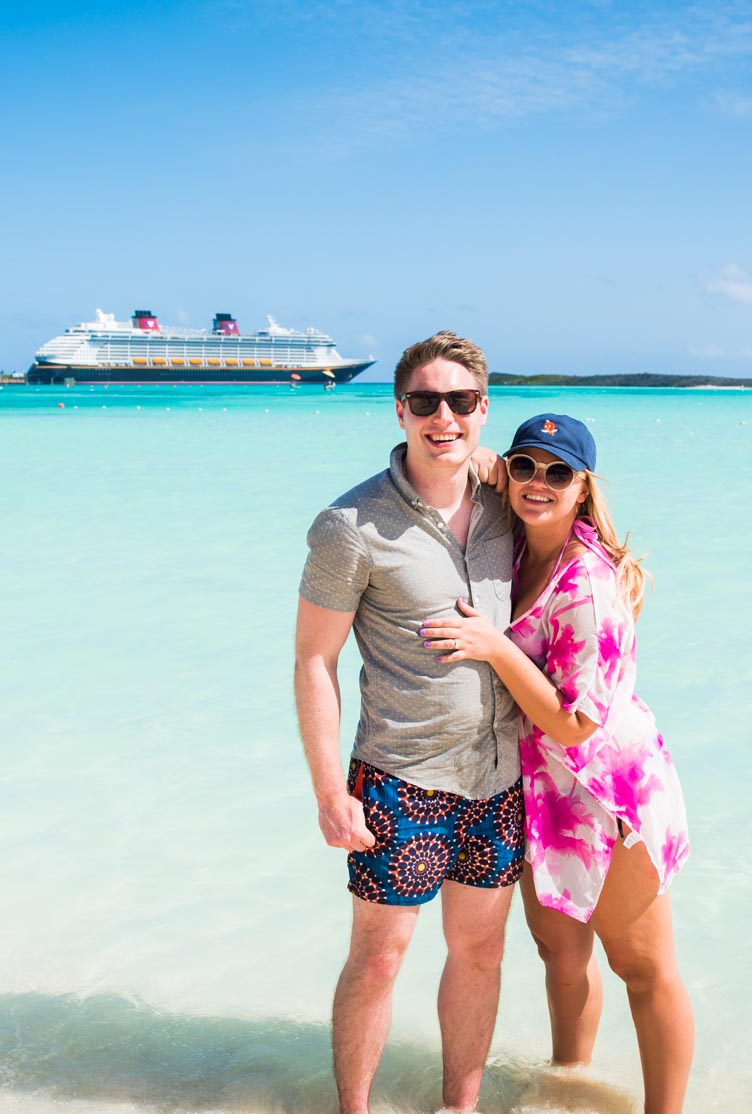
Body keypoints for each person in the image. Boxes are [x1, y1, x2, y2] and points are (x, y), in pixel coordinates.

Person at [421, 413, 693, 1114]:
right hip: (544, 793)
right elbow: (465, 454)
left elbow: (576, 725)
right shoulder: (514, 544)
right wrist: (477, 450)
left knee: (643, 968)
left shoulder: (588, 586)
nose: (538, 483)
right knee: (561, 956)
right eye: (526, 467)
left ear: (583, 488)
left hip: (611, 794)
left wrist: (494, 646)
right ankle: (568, 1086)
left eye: (558, 472)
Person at [294, 330, 523, 1114]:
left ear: (484, 409)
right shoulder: (350, 524)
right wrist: (330, 792)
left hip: (499, 778)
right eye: (425, 402)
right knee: (379, 960)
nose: (443, 417)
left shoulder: (509, 503)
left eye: (460, 401)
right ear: (399, 410)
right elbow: (314, 661)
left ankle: (460, 1106)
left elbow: (580, 513)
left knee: (481, 953)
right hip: (401, 778)